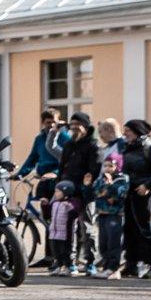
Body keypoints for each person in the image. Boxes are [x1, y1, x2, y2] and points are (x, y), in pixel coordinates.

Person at [116, 119, 151, 279]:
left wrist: (147, 185)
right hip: (130, 193)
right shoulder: (128, 148)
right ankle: (131, 263)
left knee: (146, 229)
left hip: (145, 195)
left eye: (128, 130)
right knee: (130, 229)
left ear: (138, 131)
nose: (125, 133)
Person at [53, 115, 100, 275]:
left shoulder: (93, 146)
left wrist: (87, 185)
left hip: (85, 193)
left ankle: (90, 263)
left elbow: (94, 170)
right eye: (72, 124)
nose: (74, 127)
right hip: (67, 192)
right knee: (65, 228)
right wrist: (59, 186)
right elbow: (62, 167)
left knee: (86, 228)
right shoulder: (68, 145)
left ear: (86, 127)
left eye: (78, 124)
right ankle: (68, 263)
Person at [90, 155, 128, 278]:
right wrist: (87, 185)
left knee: (113, 242)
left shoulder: (121, 179)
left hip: (114, 215)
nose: (107, 168)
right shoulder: (100, 179)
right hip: (102, 213)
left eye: (110, 165)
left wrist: (110, 185)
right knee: (103, 243)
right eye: (105, 165)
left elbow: (120, 194)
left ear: (117, 166)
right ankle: (106, 267)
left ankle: (113, 268)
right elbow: (96, 192)